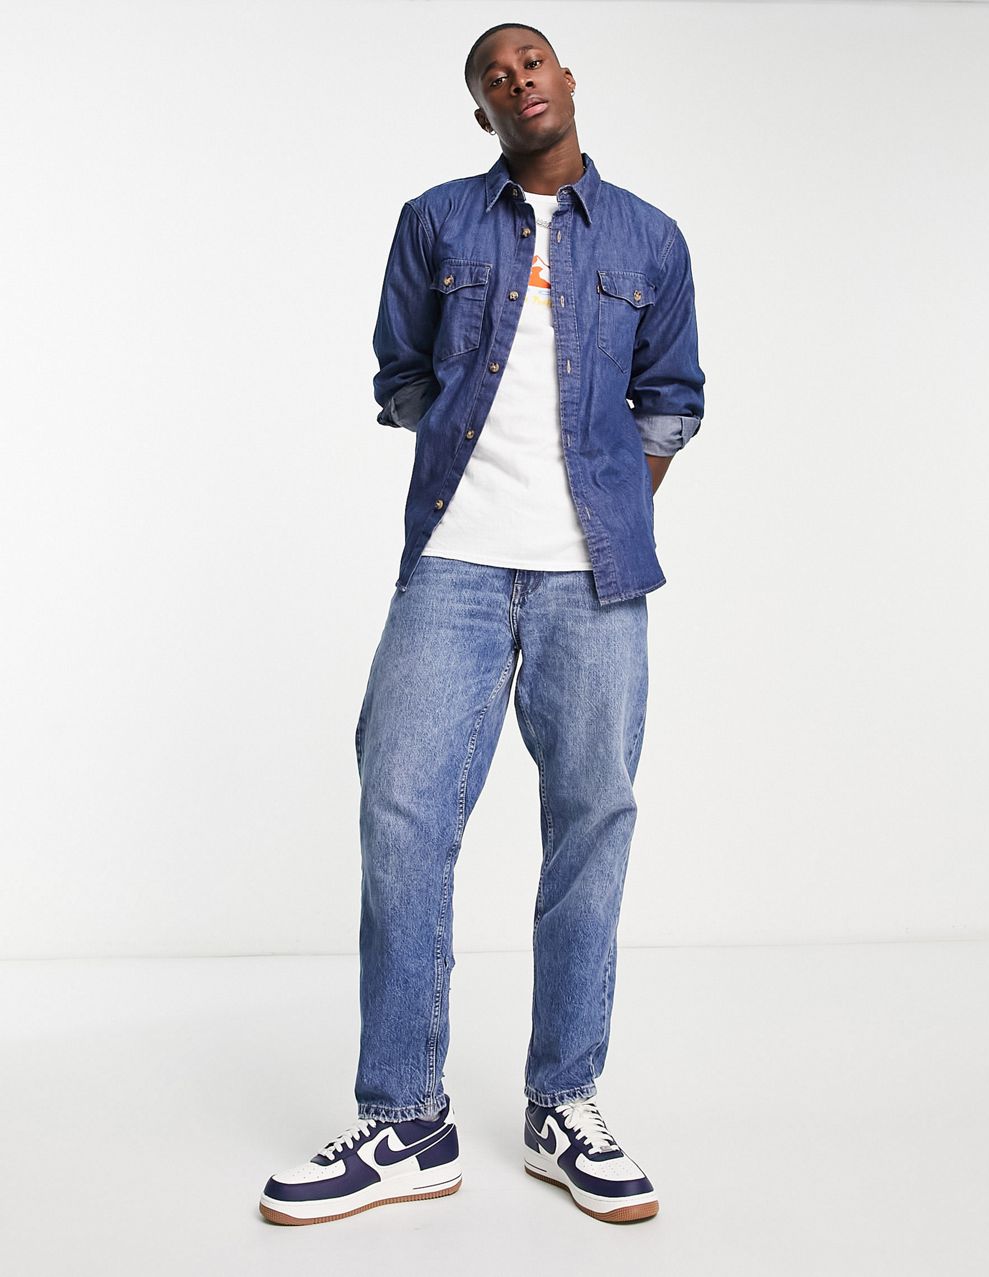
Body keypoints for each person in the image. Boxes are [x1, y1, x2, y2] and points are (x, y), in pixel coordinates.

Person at [259, 20, 705, 1228]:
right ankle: (407, 1118)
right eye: (492, 76)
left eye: (531, 61)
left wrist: (599, 506)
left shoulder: (650, 238)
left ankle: (564, 1102)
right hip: (451, 565)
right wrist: (479, 474)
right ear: (482, 112)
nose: (517, 80)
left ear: (567, 79)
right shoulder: (436, 222)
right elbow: (400, 374)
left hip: (594, 579)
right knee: (401, 814)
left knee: (591, 824)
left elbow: (670, 399)